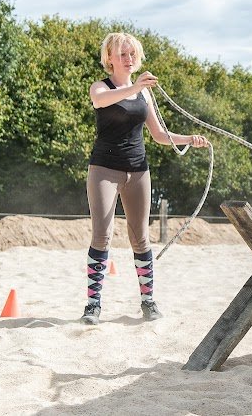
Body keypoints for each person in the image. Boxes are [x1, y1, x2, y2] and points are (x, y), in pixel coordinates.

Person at [81, 32, 209, 325]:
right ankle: (92, 305)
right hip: (104, 168)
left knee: (140, 237)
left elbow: (159, 135)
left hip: (138, 169)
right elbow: (101, 102)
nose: (129, 59)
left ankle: (148, 301)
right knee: (102, 233)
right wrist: (134, 87)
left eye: (132, 54)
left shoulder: (144, 93)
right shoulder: (101, 87)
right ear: (109, 59)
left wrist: (189, 138)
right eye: (122, 54)